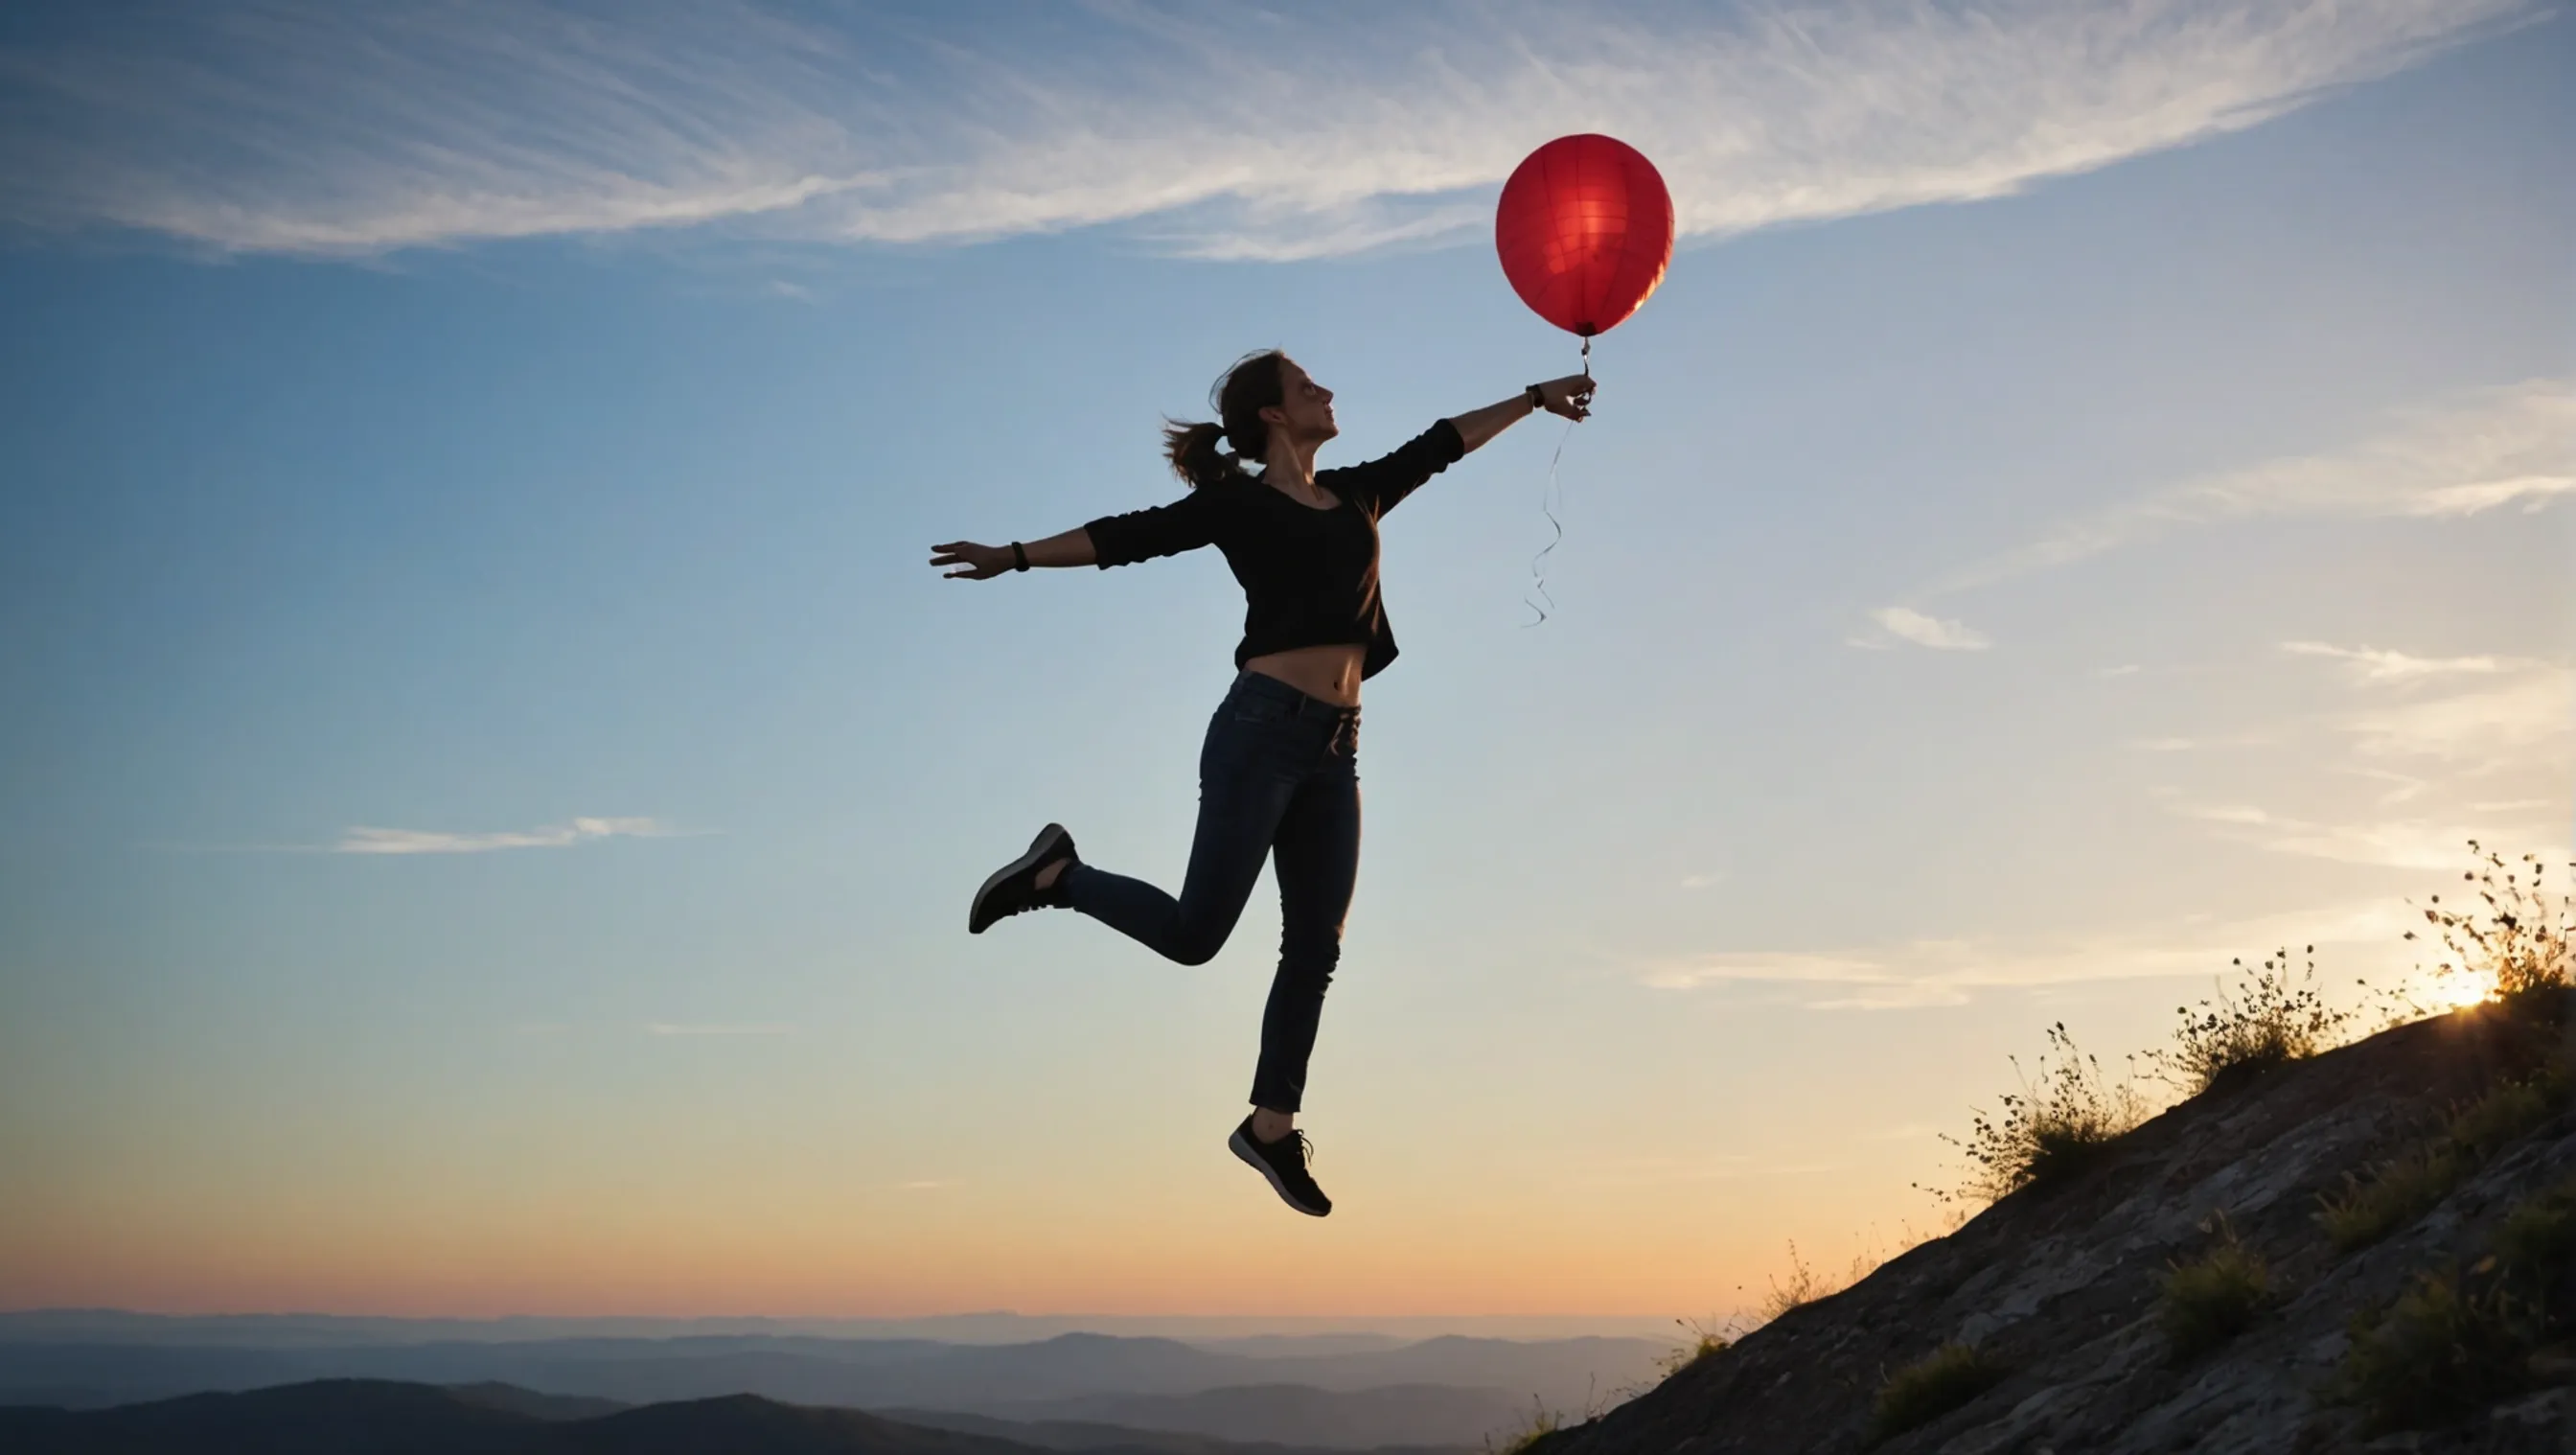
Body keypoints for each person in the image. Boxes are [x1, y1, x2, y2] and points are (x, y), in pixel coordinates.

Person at [930, 351, 1595, 1216]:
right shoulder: (1238, 504)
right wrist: (1012, 555)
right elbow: (1127, 537)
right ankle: (1058, 876)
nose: (1327, 391)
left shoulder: (1357, 492)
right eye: (1307, 386)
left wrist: (1535, 398)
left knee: (1316, 947)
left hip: (1336, 746)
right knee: (1193, 936)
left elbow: (1440, 446)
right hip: (1260, 733)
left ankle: (1271, 1128)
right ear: (1275, 417)